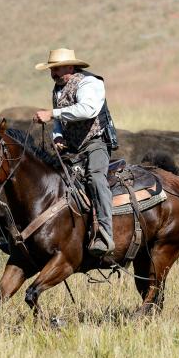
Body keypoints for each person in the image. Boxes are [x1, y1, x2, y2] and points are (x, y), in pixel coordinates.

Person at [33, 48, 117, 257]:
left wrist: (52, 113)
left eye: (57, 68)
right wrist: (58, 137)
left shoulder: (90, 83)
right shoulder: (58, 90)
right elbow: (60, 124)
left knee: (96, 179)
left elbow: (88, 109)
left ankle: (105, 233)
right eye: (51, 69)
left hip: (96, 142)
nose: (53, 73)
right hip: (72, 147)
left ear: (70, 66)